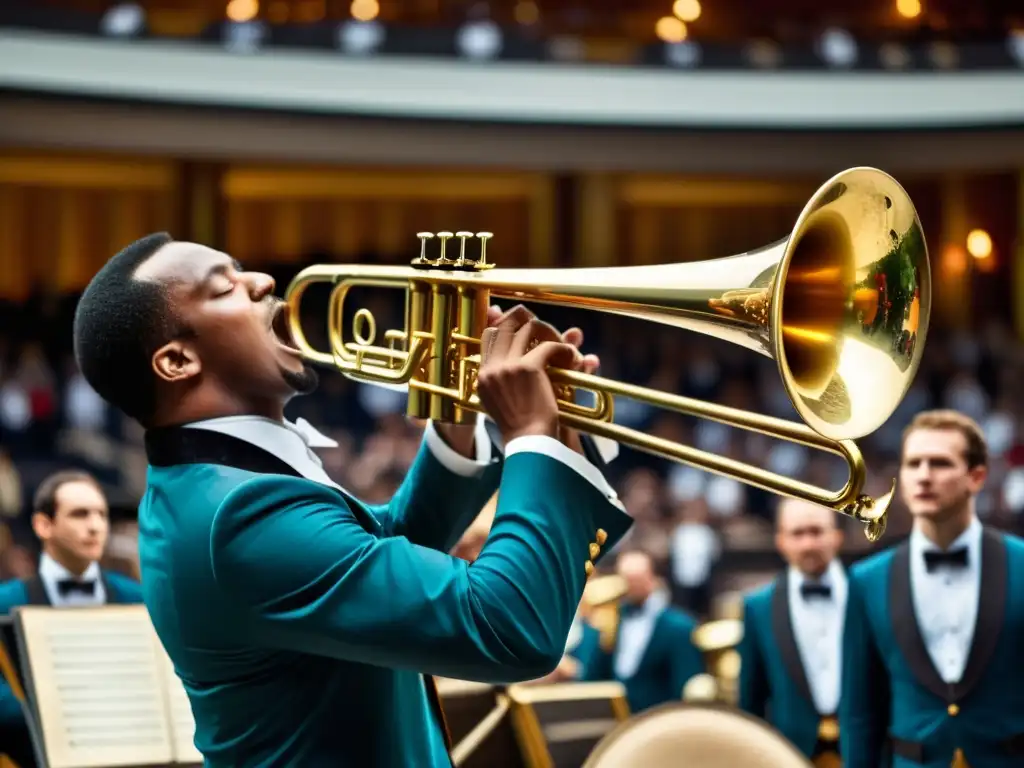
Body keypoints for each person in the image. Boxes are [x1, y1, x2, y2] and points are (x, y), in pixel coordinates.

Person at [71, 233, 634, 767]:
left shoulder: (217, 483)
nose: (265, 281)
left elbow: (372, 559)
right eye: (225, 288)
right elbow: (508, 627)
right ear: (176, 362)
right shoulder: (243, 519)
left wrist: (461, 418)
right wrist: (533, 436)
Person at [840, 409, 1024, 768]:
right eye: (913, 464)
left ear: (976, 476)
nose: (923, 476)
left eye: (940, 463)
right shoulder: (866, 580)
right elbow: (859, 711)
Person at [0, 470, 142, 768]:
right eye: (80, 514)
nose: (95, 526)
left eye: (101, 515)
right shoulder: (5, 602)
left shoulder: (138, 598)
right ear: (43, 525)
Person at [737, 497, 846, 765]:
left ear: (837, 537)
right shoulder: (757, 608)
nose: (808, 544)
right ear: (780, 542)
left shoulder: (867, 594)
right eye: (798, 533)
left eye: (817, 531)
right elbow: (751, 698)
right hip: (788, 754)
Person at [576, 548, 704, 712]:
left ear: (653, 579)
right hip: (615, 718)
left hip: (657, 719)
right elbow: (592, 677)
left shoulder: (680, 627)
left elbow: (685, 686)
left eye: (636, 579)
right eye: (626, 579)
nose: (630, 585)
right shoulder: (611, 619)